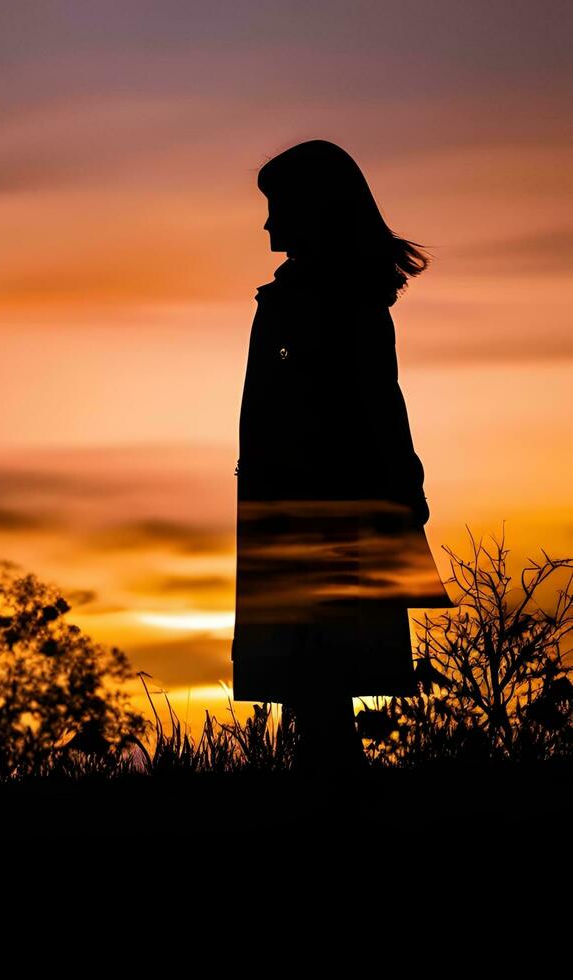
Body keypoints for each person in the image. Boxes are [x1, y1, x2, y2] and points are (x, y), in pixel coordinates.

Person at [230, 140, 457, 778]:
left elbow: (376, 396)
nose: (268, 223)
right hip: (297, 496)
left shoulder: (334, 300)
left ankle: (332, 791)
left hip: (323, 500)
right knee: (311, 663)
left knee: (318, 656)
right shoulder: (317, 295)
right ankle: (330, 783)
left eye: (276, 207)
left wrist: (400, 488)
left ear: (311, 208)